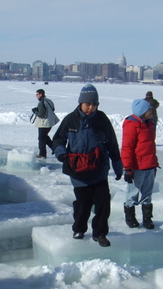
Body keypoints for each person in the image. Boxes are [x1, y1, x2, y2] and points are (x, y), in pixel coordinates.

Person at [52, 84, 123, 247]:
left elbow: (112, 143)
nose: (91, 108)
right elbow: (58, 139)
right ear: (80, 103)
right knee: (83, 204)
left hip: (99, 169)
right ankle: (79, 228)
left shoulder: (102, 119)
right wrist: (61, 153)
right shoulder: (71, 119)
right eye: (88, 104)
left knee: (103, 202)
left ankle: (100, 233)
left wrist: (118, 166)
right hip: (78, 170)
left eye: (94, 104)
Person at [122, 99, 160, 229]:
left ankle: (147, 218)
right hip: (137, 167)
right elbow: (127, 147)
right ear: (142, 111)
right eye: (149, 110)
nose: (152, 112)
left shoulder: (149, 124)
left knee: (147, 194)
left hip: (149, 165)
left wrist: (154, 163)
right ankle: (130, 217)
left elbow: (150, 147)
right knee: (132, 193)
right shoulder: (132, 125)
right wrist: (128, 168)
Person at [31, 89, 59, 158]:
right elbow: (53, 109)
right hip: (50, 122)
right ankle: (55, 148)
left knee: (41, 139)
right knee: (44, 137)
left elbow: (41, 114)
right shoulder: (48, 100)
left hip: (44, 123)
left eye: (37, 94)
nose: (36, 96)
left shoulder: (41, 102)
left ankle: (42, 154)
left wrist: (35, 111)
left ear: (41, 94)